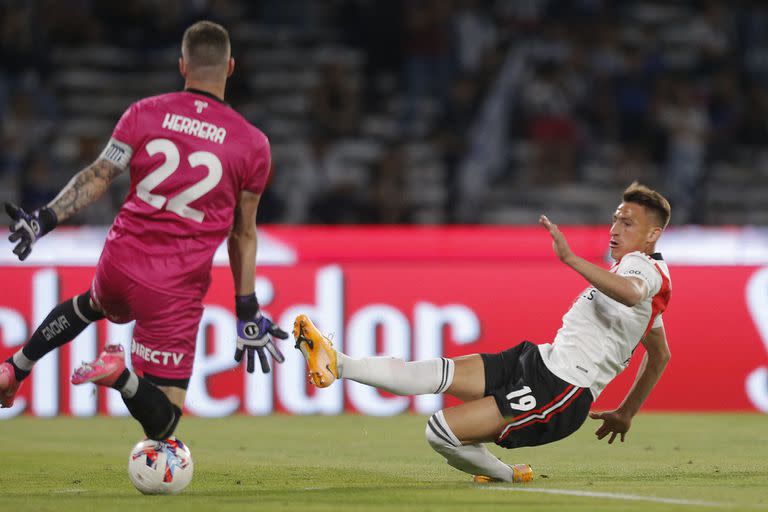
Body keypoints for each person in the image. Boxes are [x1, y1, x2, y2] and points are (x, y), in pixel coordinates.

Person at [0, 21, 287, 441]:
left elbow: (99, 176)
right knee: (167, 420)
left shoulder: (145, 113)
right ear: (230, 67)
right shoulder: (252, 144)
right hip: (173, 287)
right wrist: (247, 310)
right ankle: (120, 377)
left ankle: (14, 366)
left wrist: (44, 218)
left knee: (92, 304)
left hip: (119, 262)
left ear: (181, 66)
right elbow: (242, 233)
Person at [294, 182, 672, 483]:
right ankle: (337, 363)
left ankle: (508, 476)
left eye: (627, 223)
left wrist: (571, 259)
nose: (615, 229)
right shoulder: (636, 282)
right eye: (615, 219)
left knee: (440, 431)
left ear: (652, 233)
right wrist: (626, 411)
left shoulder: (645, 269)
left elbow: (631, 293)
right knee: (428, 373)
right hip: (539, 360)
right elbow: (660, 353)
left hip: (562, 390)